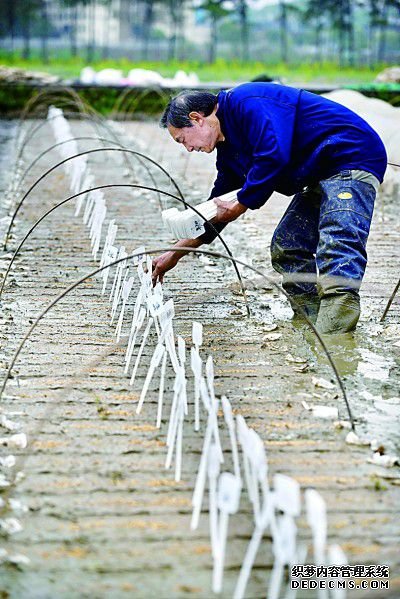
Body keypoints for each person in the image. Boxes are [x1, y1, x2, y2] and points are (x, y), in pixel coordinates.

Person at [152, 83, 387, 334]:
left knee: (338, 241)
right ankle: (310, 320)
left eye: (183, 140)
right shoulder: (229, 147)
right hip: (320, 173)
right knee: (288, 245)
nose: (188, 148)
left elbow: (273, 154)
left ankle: (335, 336)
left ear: (196, 118)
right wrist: (175, 253)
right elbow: (215, 208)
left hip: (350, 156)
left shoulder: (248, 102)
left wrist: (241, 204)